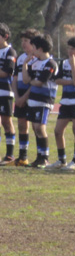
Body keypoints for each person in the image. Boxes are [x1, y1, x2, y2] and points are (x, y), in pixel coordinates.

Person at [45, 37, 75, 170]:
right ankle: (61, 160)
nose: (70, 51)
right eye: (69, 48)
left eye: (73, 49)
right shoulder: (63, 63)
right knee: (58, 131)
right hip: (65, 101)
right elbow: (57, 80)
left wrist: (73, 66)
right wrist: (71, 81)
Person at [22, 35, 58, 168]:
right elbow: (26, 80)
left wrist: (32, 81)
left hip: (44, 100)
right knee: (34, 128)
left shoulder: (50, 63)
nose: (32, 50)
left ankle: (45, 157)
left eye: (34, 48)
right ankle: (39, 157)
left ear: (40, 48)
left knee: (40, 127)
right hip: (33, 100)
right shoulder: (34, 62)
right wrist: (25, 63)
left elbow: (39, 82)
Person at [8, 29, 39, 166]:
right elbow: (14, 79)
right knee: (21, 125)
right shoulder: (20, 58)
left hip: (31, 96)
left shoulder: (38, 59)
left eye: (26, 41)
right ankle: (22, 157)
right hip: (19, 95)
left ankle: (41, 156)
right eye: (22, 41)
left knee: (36, 126)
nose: (23, 44)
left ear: (33, 43)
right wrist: (16, 95)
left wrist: (24, 97)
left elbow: (36, 82)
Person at [0, 23, 16, 164]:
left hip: (5, 92)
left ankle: (10, 154)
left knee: (6, 121)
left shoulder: (10, 52)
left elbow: (6, 72)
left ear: (5, 36)